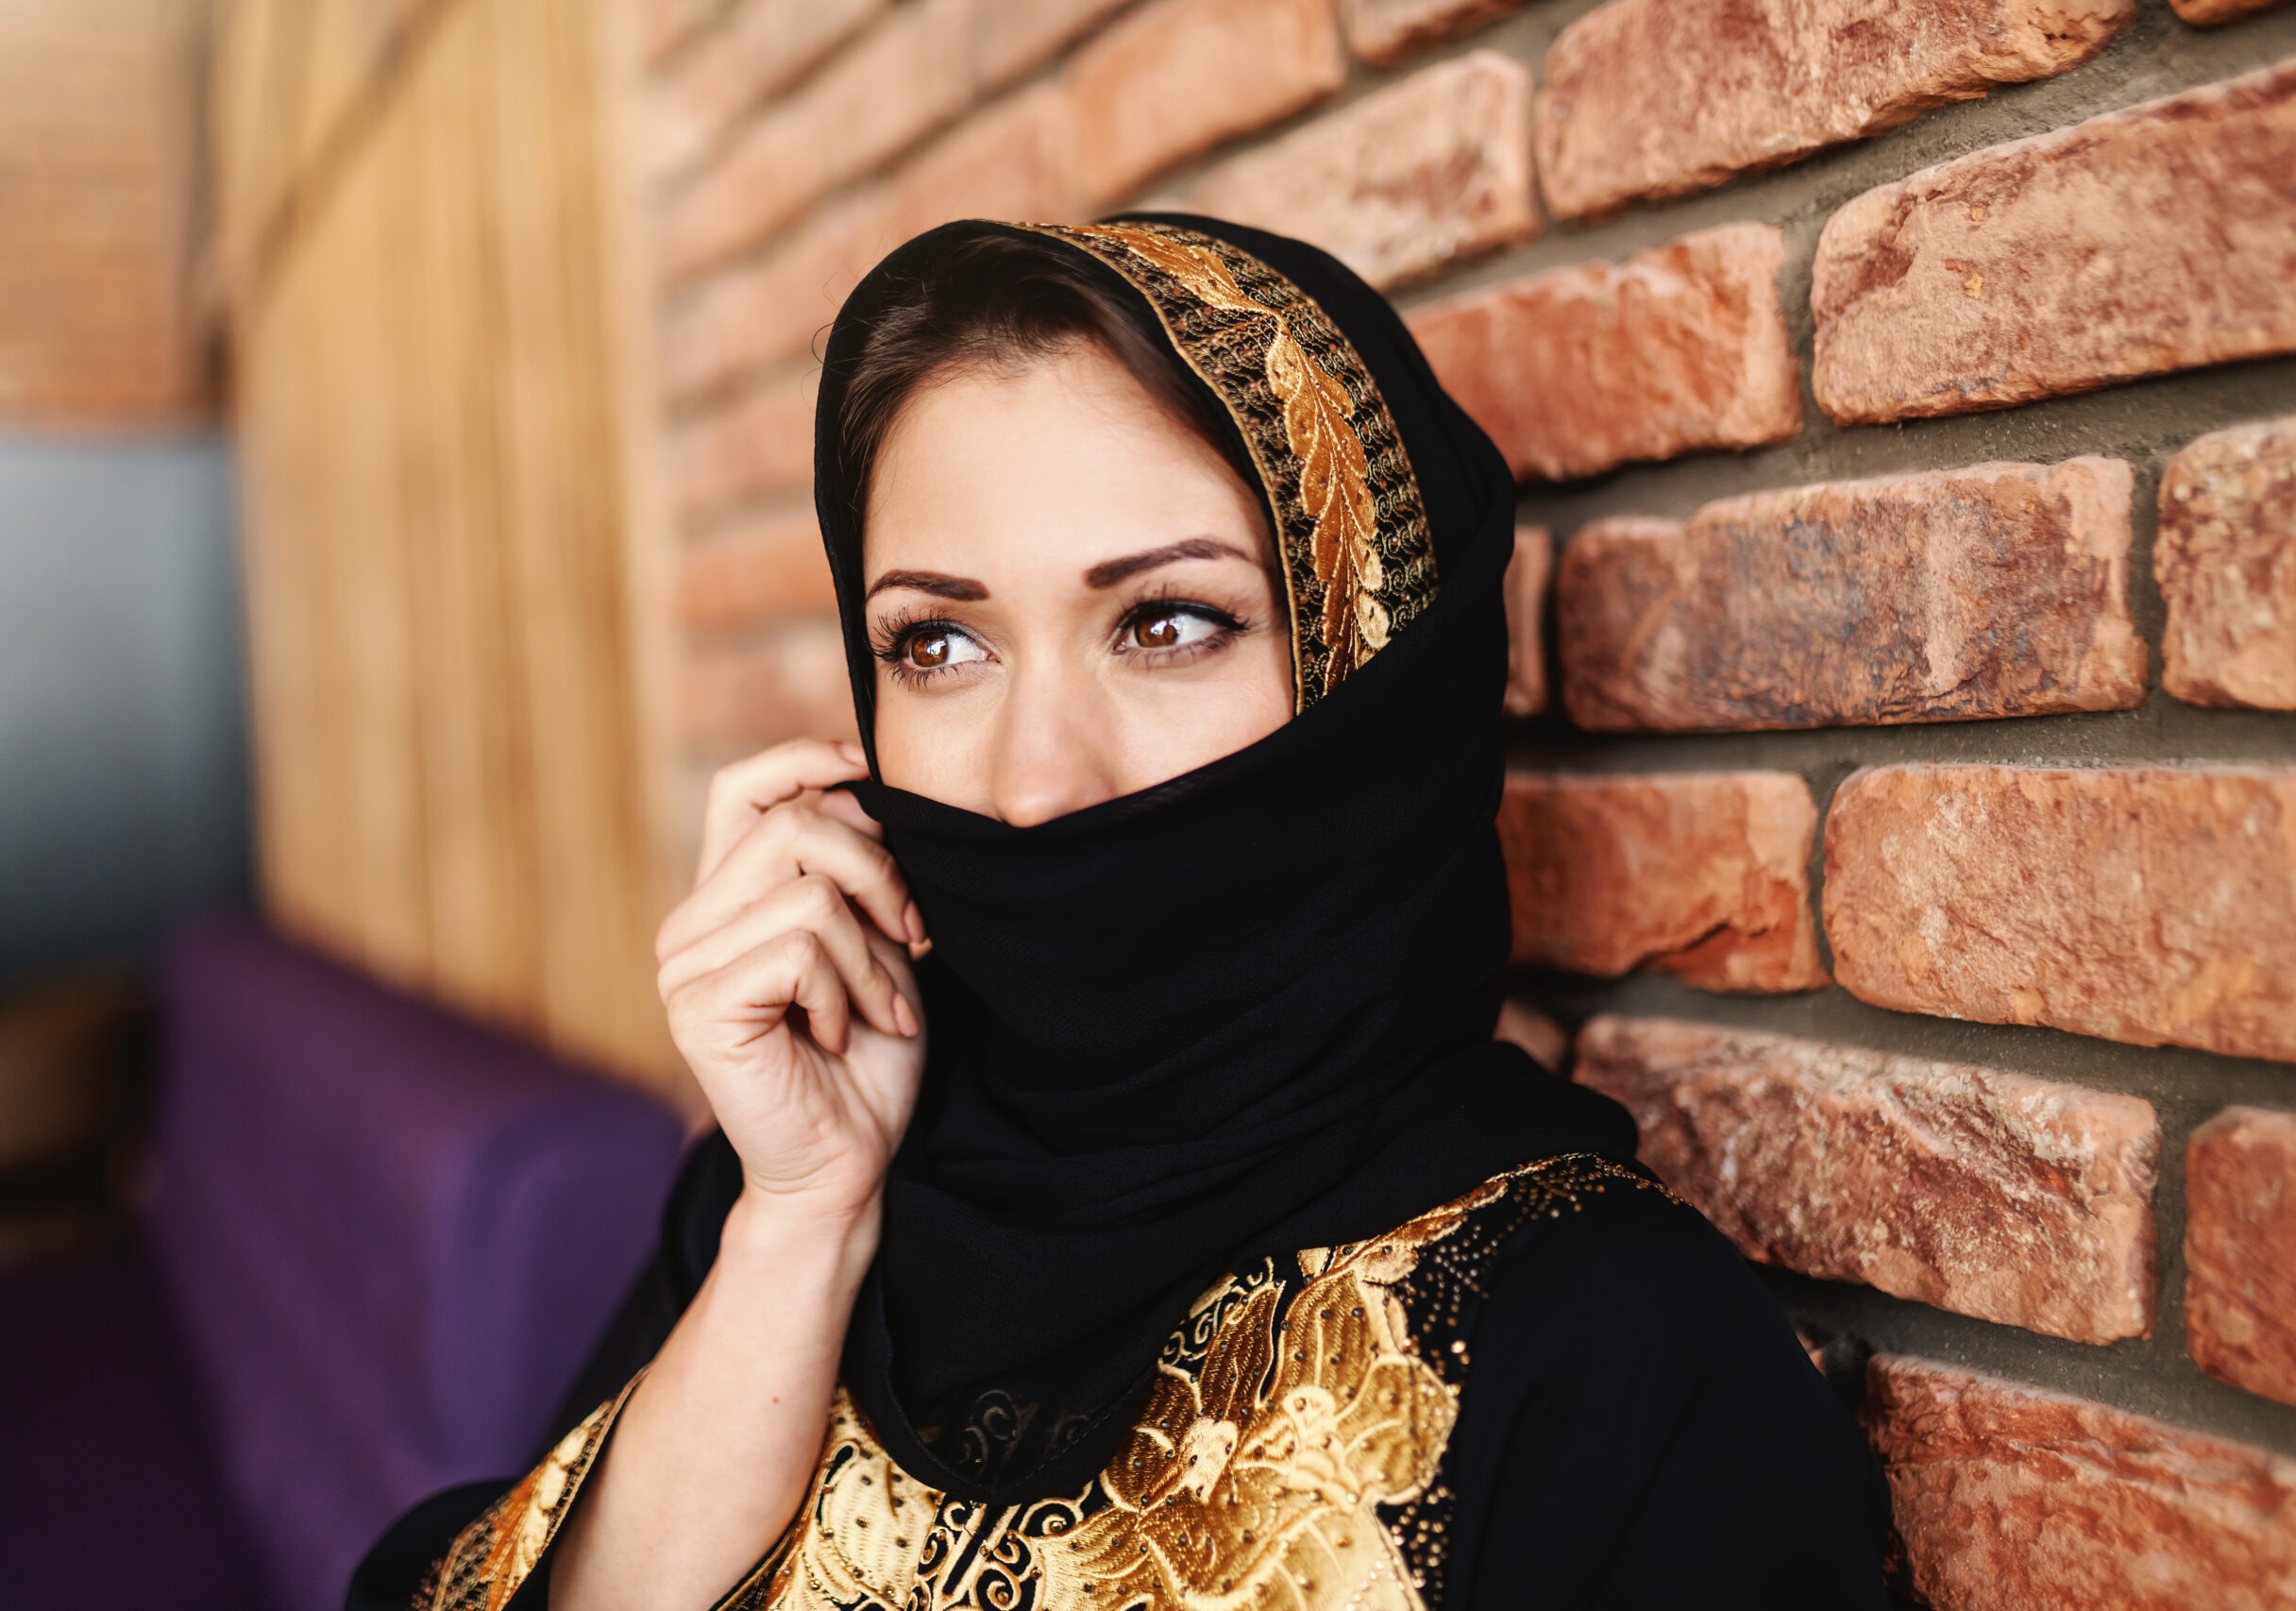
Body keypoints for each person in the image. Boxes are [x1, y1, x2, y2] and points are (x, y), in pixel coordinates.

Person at [350, 216, 1894, 1611]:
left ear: (1381, 689)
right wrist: (799, 1223)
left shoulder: (1603, 1352)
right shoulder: (784, 1197)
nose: (1032, 785)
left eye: (1164, 623)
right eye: (940, 645)